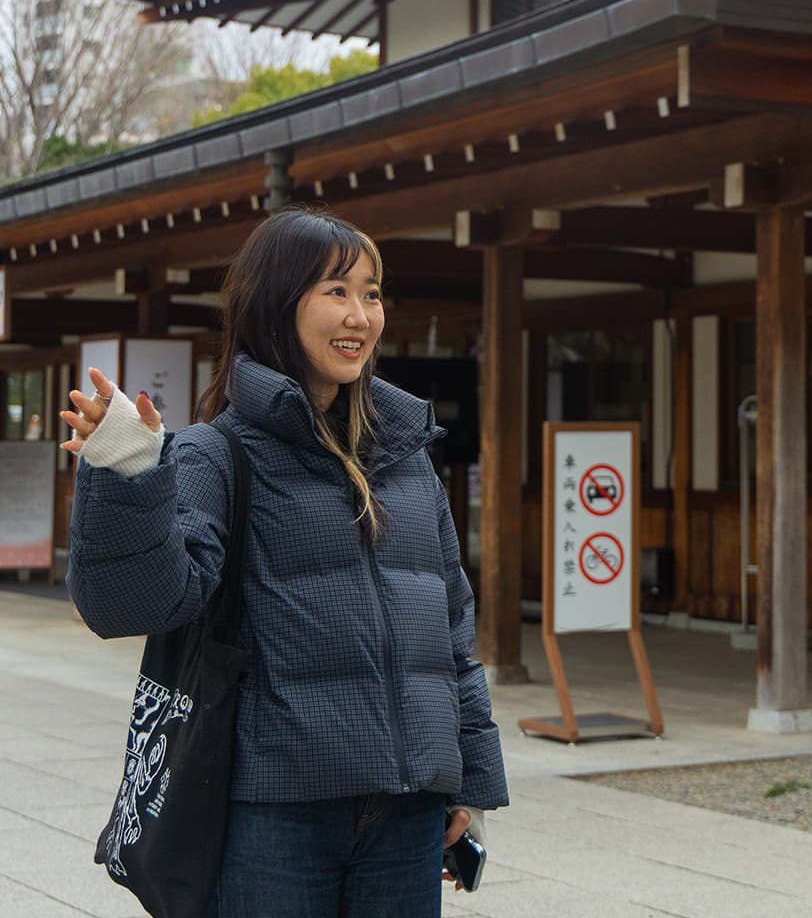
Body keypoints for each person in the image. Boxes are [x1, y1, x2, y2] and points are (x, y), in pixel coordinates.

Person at [62, 207, 506, 917]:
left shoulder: (407, 460)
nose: (360, 314)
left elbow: (450, 629)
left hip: (408, 813)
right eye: (336, 291)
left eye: (372, 292)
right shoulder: (218, 453)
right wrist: (128, 472)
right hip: (274, 813)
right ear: (276, 303)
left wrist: (470, 778)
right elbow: (131, 606)